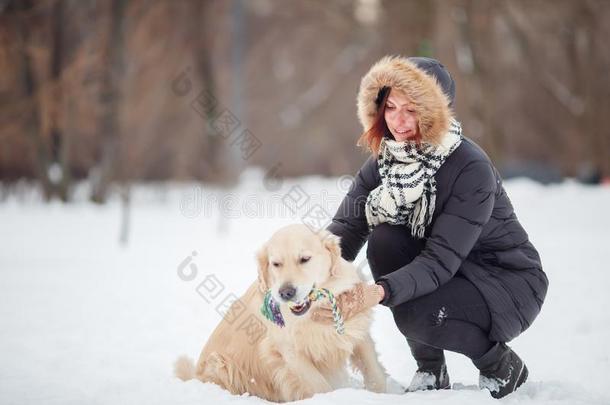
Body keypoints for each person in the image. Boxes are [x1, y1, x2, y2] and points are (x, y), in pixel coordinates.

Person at [310, 55, 549, 399]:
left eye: (411, 109)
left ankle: (500, 366)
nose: (399, 121)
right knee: (385, 240)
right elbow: (346, 228)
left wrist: (377, 292)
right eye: (390, 107)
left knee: (412, 311)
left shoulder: (470, 168)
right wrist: (305, 276)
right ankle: (431, 370)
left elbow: (439, 260)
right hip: (451, 274)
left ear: (436, 112)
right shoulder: (385, 161)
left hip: (506, 283)